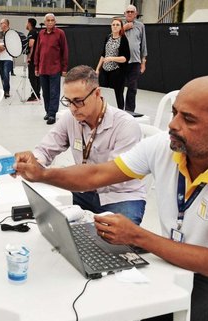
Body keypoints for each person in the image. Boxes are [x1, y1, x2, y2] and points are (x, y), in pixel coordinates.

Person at [14, 74, 208, 321]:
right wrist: (42, 174)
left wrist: (137, 236)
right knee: (98, 301)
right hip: (173, 254)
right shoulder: (165, 146)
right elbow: (96, 174)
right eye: (175, 112)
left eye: (188, 120)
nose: (173, 125)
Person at [32, 65, 145, 223]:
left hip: (120, 196)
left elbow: (108, 175)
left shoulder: (125, 125)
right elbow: (44, 149)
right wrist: (34, 161)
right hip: (84, 190)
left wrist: (49, 174)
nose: (72, 108)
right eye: (68, 101)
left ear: (97, 93)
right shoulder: (70, 118)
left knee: (118, 240)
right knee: (42, 210)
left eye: (78, 101)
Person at [34, 13, 69, 125]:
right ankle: (48, 111)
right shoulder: (41, 34)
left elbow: (65, 51)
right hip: (43, 68)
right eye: (48, 20)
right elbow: (37, 51)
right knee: (45, 92)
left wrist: (64, 68)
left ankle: (52, 114)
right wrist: (36, 66)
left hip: (55, 68)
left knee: (54, 92)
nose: (50, 22)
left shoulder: (60, 33)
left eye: (52, 20)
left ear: (55, 22)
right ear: (44, 22)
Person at [96, 18, 130, 110]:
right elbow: (103, 54)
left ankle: (119, 113)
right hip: (105, 69)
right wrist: (97, 69)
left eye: (117, 25)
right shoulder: (108, 37)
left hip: (117, 70)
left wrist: (112, 58)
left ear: (121, 27)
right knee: (103, 93)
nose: (115, 27)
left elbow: (125, 58)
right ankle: (103, 112)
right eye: (113, 25)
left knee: (117, 94)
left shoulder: (123, 39)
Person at [123, 4, 147, 112]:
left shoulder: (140, 26)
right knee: (118, 87)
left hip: (135, 62)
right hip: (121, 62)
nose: (129, 13)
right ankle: (118, 110)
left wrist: (143, 62)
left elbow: (143, 44)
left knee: (132, 88)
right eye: (128, 11)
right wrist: (124, 28)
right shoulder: (119, 24)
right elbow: (111, 37)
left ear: (136, 14)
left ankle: (129, 111)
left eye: (132, 12)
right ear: (125, 13)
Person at [0, 18, 14, 98]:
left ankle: (7, 90)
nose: (0, 25)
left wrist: (3, 47)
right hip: (0, 57)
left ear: (6, 24)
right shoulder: (0, 33)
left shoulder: (11, 33)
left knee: (6, 74)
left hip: (8, 57)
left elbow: (11, 43)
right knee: (2, 75)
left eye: (2, 23)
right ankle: (4, 89)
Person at [26, 17, 40, 102]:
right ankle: (37, 94)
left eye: (27, 23)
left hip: (33, 57)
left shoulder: (32, 32)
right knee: (37, 76)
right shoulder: (37, 31)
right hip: (38, 57)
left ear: (29, 23)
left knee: (32, 76)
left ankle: (34, 95)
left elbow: (31, 44)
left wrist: (29, 57)